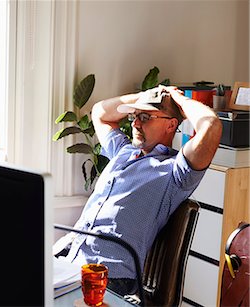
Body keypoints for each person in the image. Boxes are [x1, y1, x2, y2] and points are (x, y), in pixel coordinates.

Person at [53, 85, 222, 297]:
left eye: (145, 116)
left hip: (108, 275)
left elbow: (212, 127)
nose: (135, 123)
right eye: (134, 116)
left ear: (171, 125)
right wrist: (142, 97)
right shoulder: (123, 151)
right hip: (69, 259)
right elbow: (99, 113)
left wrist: (180, 101)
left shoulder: (175, 172)